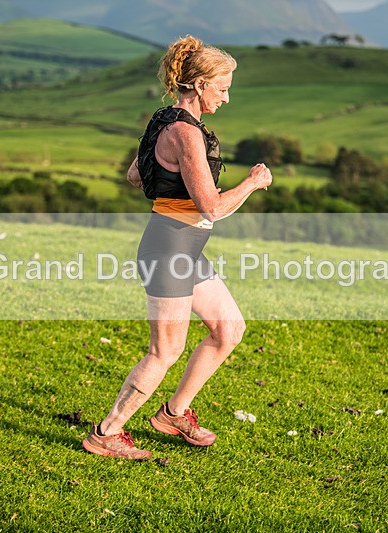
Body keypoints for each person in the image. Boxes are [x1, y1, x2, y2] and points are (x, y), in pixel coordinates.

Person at [83, 35, 273, 460]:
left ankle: (174, 413)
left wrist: (176, 181)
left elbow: (136, 176)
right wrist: (252, 183)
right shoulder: (185, 133)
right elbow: (212, 206)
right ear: (201, 84)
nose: (227, 96)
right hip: (168, 251)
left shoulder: (163, 120)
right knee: (164, 351)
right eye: (222, 87)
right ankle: (106, 433)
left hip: (185, 249)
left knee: (229, 330)